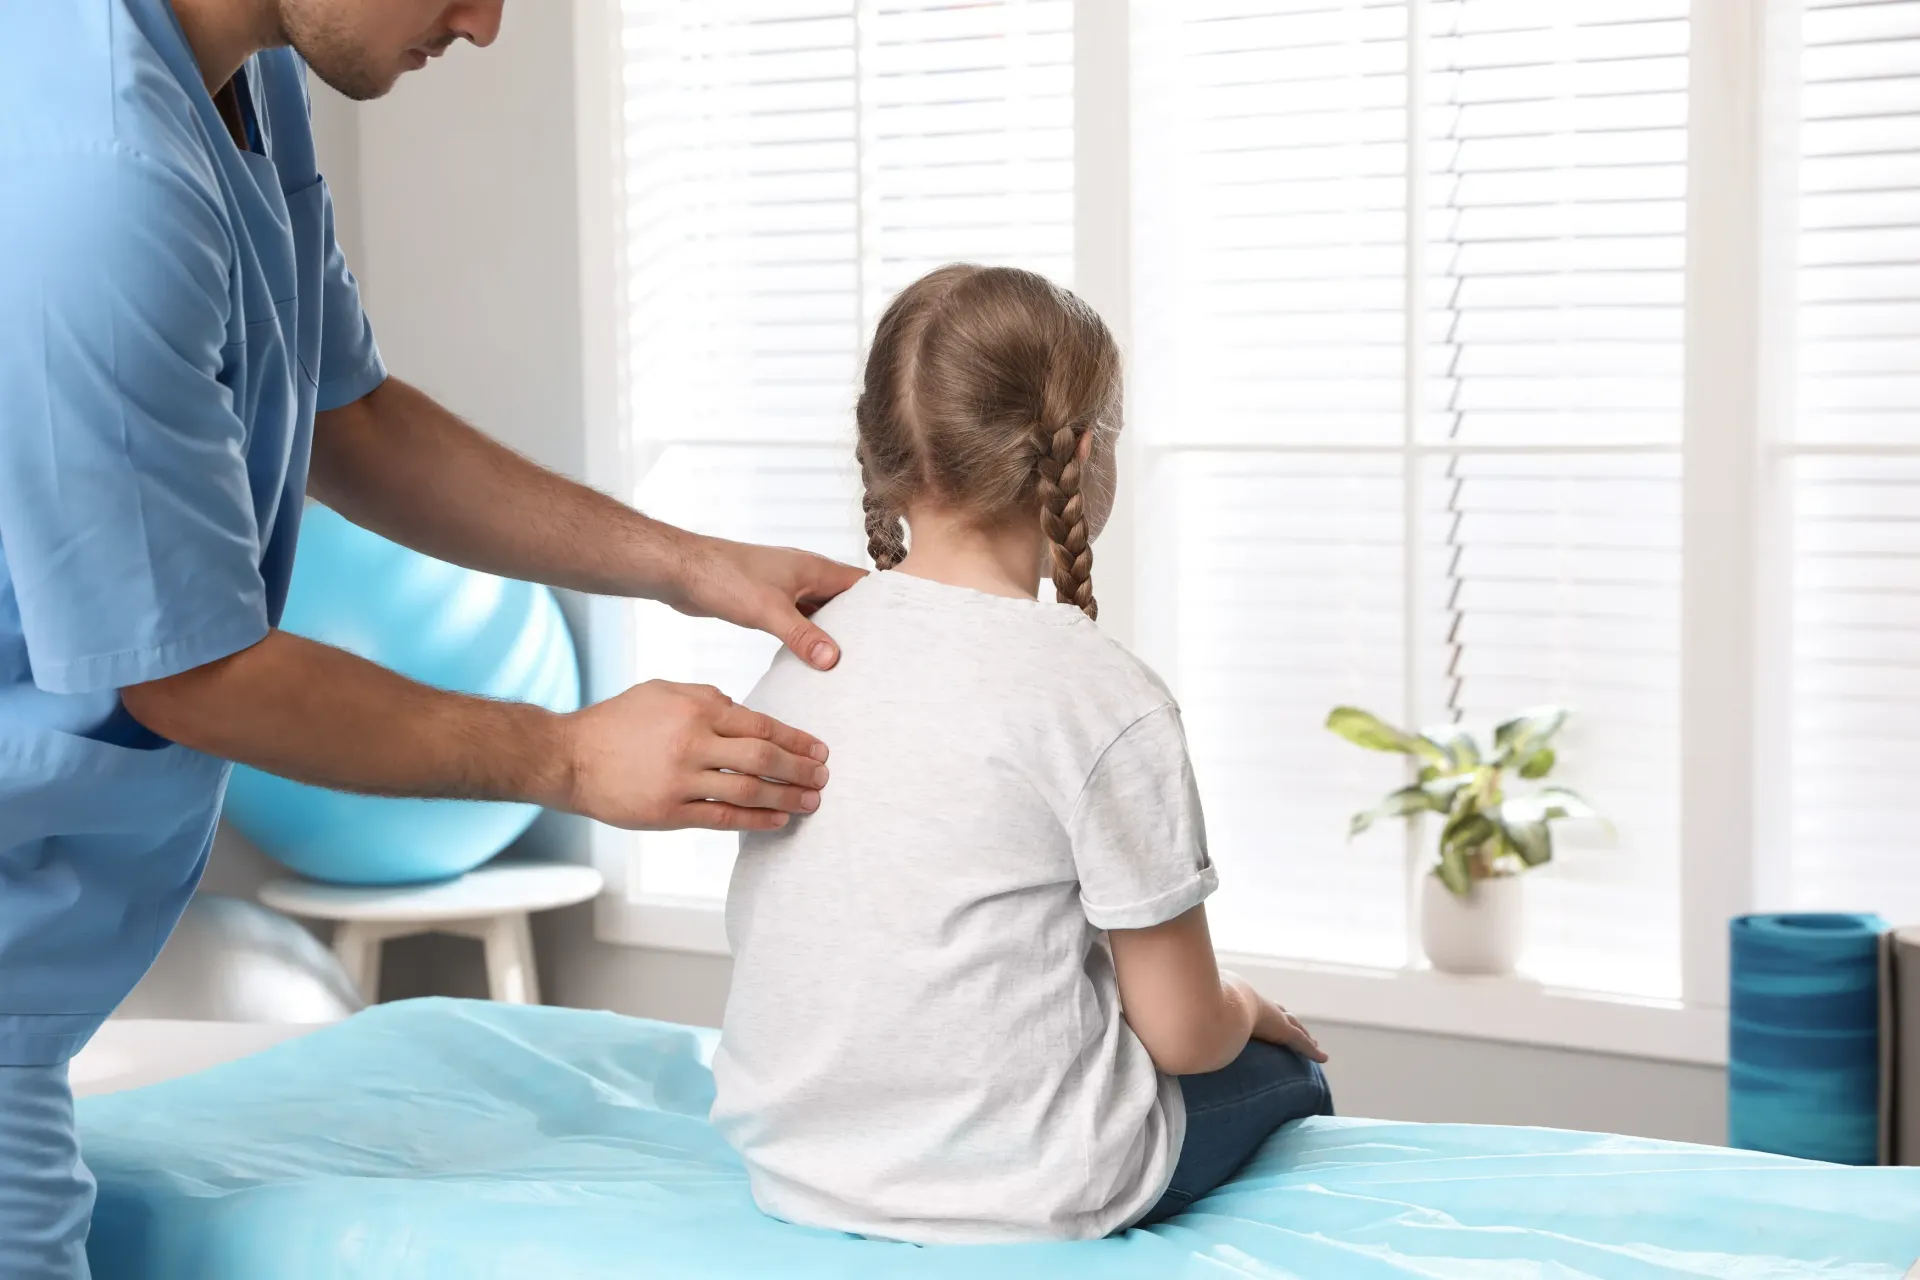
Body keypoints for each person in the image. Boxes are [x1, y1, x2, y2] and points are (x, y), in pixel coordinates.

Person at [0, 2, 862, 1275]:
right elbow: (188, 672)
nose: (487, 22)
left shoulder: (250, 72)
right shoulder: (98, 176)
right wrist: (569, 761)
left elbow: (349, 417)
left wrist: (687, 566)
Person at [710, 264, 1333, 1244]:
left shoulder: (804, 651)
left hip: (795, 1164)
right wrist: (1250, 1003)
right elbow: (1180, 1028)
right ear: (1083, 452)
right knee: (1290, 1070)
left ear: (887, 454)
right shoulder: (1100, 693)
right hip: (1028, 1186)